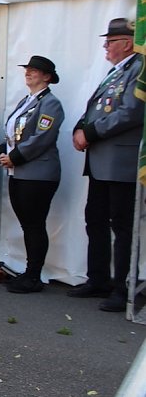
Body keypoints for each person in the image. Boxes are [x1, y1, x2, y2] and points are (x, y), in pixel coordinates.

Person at [69, 17, 144, 312]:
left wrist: (90, 132)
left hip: (122, 163)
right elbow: (96, 108)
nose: (105, 46)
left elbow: (131, 112)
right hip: (101, 161)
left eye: (111, 42)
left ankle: (122, 286)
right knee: (95, 220)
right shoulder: (115, 73)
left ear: (127, 43)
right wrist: (81, 127)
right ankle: (97, 278)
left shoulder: (138, 69)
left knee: (122, 226)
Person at [0, 56, 64, 293]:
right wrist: (5, 152)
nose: (29, 73)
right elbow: (14, 133)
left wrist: (14, 157)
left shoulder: (50, 103)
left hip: (38, 173)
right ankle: (29, 272)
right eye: (27, 69)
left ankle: (34, 275)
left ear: (47, 76)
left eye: (35, 70)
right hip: (20, 172)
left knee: (34, 224)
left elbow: (42, 137)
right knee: (28, 224)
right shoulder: (27, 101)